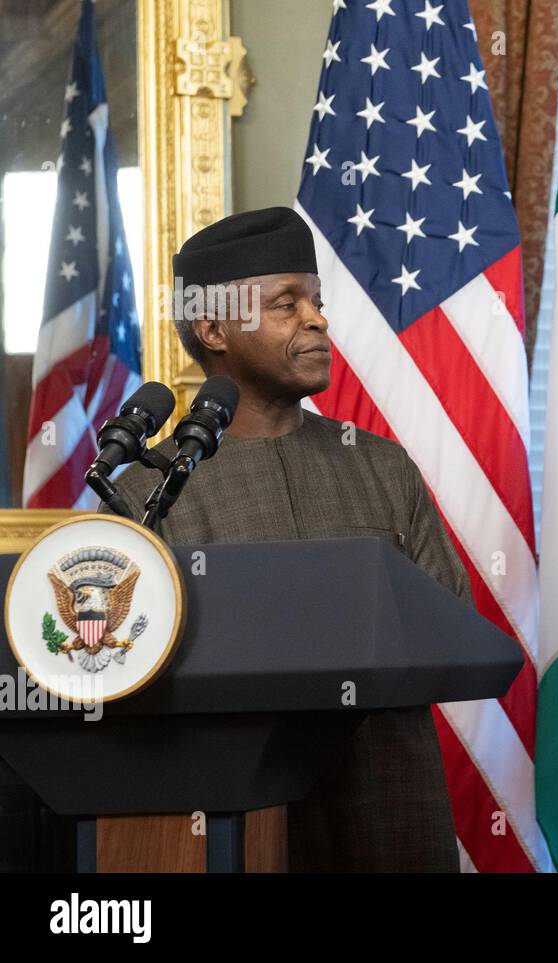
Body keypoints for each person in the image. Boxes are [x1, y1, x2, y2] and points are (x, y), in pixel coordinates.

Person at [108, 206, 470, 872]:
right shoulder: (147, 492)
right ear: (212, 327)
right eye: (286, 304)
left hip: (389, 812)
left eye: (318, 301)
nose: (318, 319)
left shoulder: (380, 464)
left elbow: (453, 628)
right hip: (232, 821)